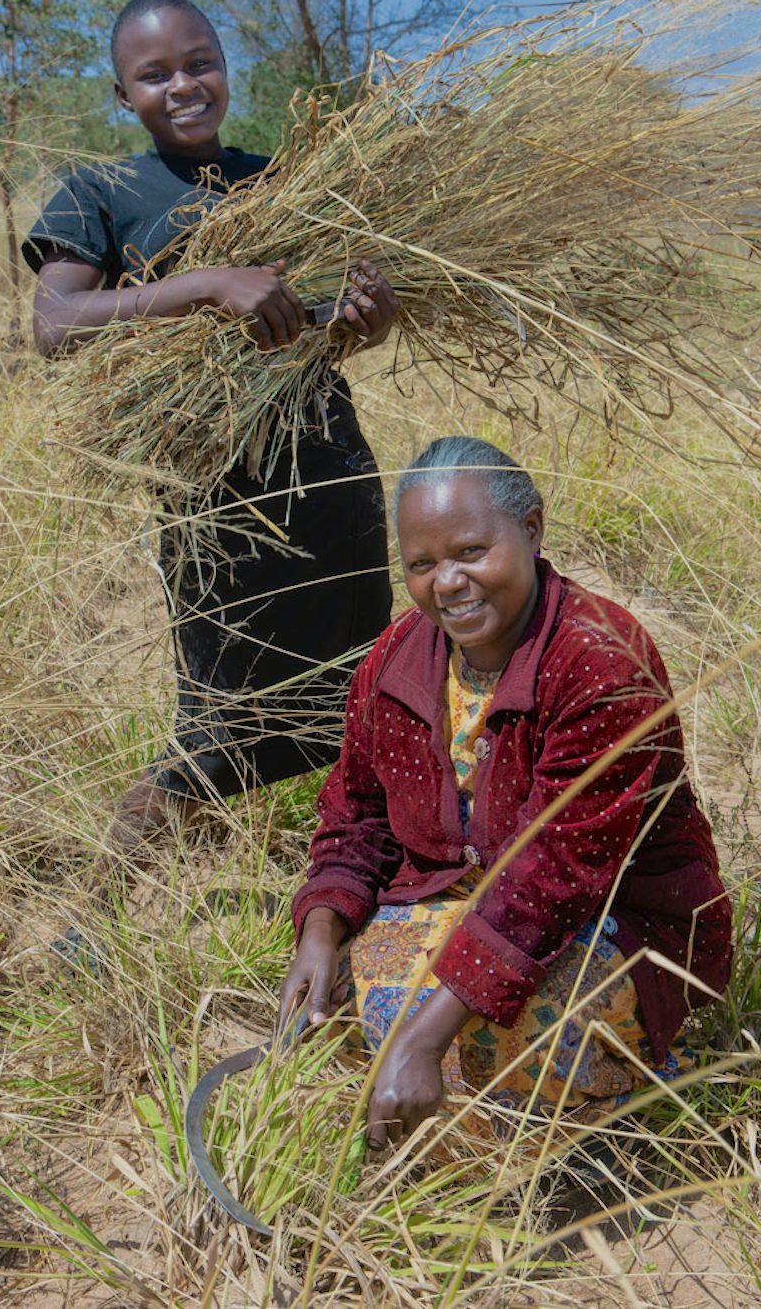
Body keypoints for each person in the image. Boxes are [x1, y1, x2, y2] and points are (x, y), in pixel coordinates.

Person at [24, 0, 395, 916]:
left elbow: (310, 329)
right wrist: (201, 286)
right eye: (155, 74)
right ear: (123, 95)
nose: (183, 84)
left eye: (200, 61)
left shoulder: (282, 179)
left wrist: (364, 320)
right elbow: (56, 325)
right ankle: (102, 912)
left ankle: (363, 888)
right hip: (216, 496)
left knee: (369, 695)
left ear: (227, 65)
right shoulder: (101, 194)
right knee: (216, 719)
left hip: (330, 471)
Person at [280, 437, 732, 1150]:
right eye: (423, 565)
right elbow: (357, 812)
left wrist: (426, 1042)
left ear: (531, 529)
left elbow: (554, 877)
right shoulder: (395, 658)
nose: (448, 583)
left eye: (469, 552)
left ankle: (615, 1108)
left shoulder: (598, 661)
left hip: (607, 925)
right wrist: (322, 929)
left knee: (494, 1039)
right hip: (457, 901)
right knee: (336, 1003)